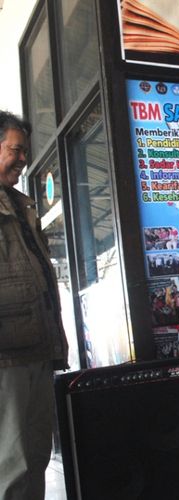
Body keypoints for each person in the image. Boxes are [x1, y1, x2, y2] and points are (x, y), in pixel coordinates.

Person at [0, 110, 69, 499]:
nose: (24, 158)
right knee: (10, 465)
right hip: (6, 358)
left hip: (38, 351)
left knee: (37, 455)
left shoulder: (22, 207)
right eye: (16, 149)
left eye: (25, 151)